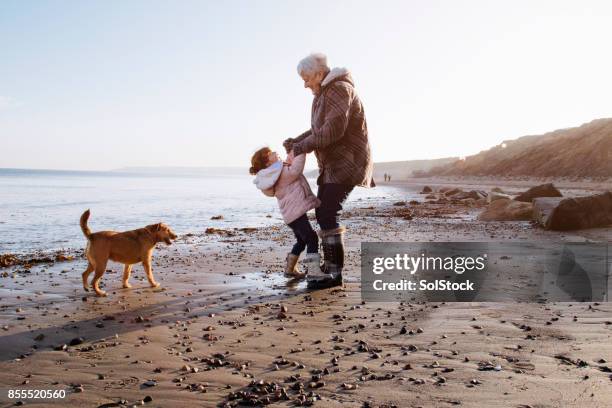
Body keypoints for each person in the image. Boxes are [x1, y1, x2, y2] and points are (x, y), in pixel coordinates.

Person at [284, 52, 374, 289]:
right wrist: (297, 141)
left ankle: (334, 274)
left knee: (327, 213)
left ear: (319, 74)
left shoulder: (338, 90)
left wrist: (300, 147)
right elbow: (318, 129)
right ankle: (331, 270)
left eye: (306, 78)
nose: (305, 84)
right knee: (324, 212)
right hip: (335, 165)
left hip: (346, 162)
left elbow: (332, 131)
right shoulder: (326, 92)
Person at [250, 147, 327, 282]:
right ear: (268, 162)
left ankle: (290, 270)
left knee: (302, 240)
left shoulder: (275, 172)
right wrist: (301, 149)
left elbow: (289, 161)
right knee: (312, 238)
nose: (274, 152)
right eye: (270, 153)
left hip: (290, 215)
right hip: (295, 213)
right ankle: (314, 271)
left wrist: (293, 149)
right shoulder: (281, 173)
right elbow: (296, 169)